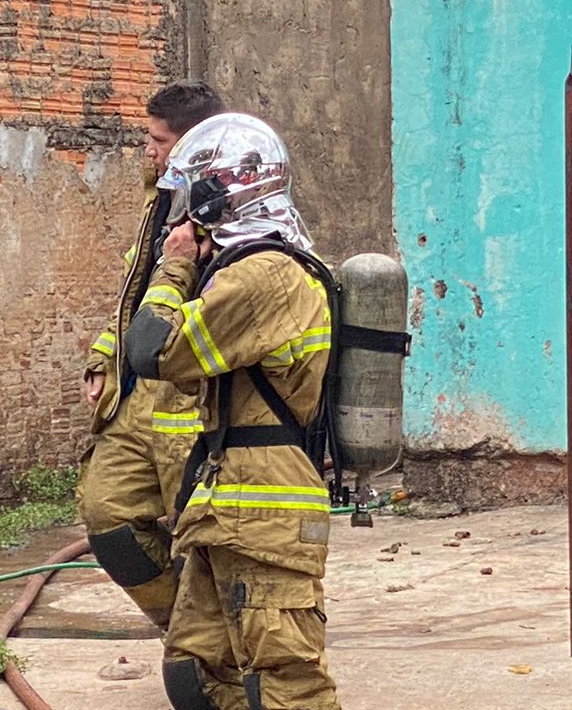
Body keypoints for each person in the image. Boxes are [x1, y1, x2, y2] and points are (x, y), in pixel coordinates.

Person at [123, 112, 341, 710]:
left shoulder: (264, 275)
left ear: (215, 194)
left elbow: (153, 349)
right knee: (196, 671)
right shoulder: (245, 270)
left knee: (286, 680)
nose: (181, 211)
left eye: (189, 195)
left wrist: (174, 266)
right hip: (228, 500)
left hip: (266, 506)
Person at [76, 80, 225, 633]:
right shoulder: (158, 200)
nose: (148, 150)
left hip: (191, 405)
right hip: (132, 399)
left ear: (192, 147)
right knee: (108, 520)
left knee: (202, 539)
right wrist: (104, 356)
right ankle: (187, 632)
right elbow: (134, 289)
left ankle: (214, 653)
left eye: (159, 141)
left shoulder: (236, 211)